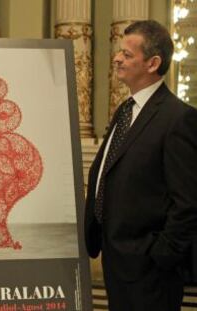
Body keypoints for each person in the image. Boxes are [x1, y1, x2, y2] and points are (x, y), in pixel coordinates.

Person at [84, 20, 197, 311]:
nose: (117, 58)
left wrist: (159, 256)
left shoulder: (178, 118)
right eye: (119, 52)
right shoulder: (126, 110)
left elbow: (187, 203)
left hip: (150, 273)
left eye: (127, 54)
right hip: (117, 262)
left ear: (153, 62)